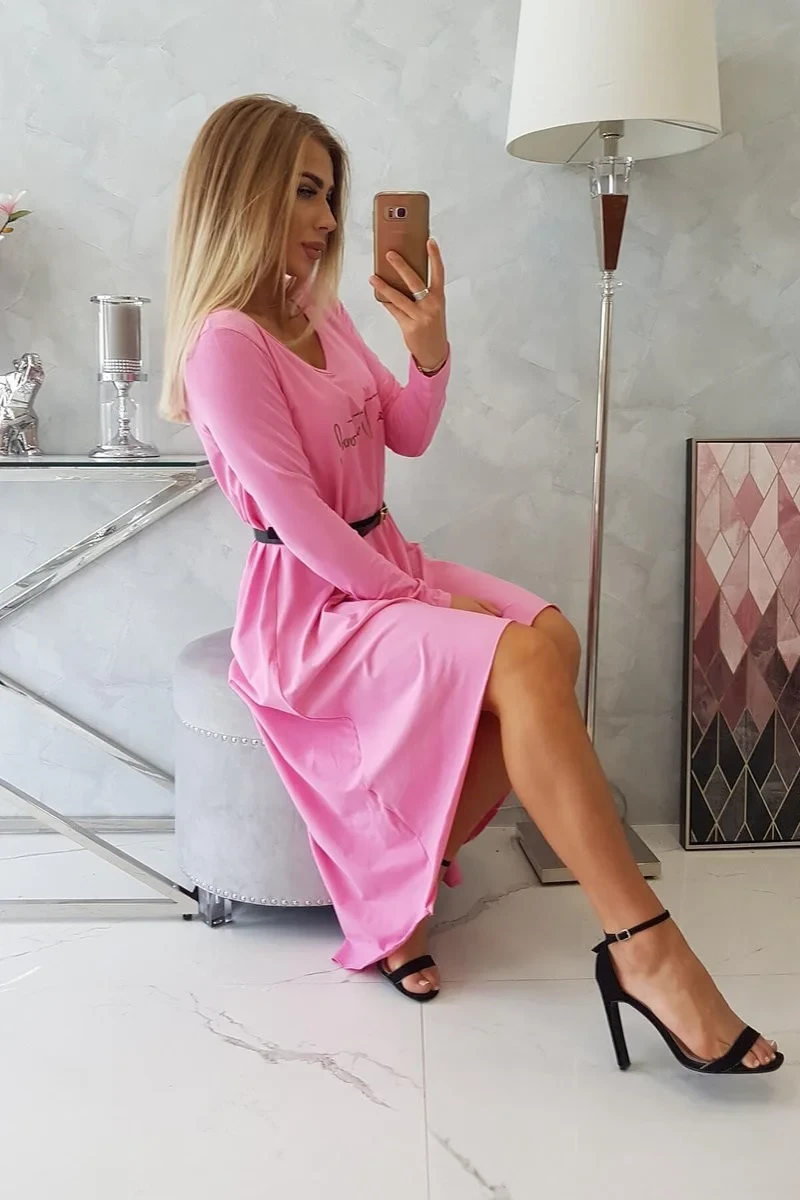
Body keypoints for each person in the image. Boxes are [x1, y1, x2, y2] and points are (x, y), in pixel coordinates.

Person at [161, 94, 781, 1076]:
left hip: (380, 561)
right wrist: (420, 603)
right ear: (244, 190)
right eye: (306, 192)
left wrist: (428, 344)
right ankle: (646, 953)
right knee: (520, 659)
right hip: (312, 606)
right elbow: (301, 522)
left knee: (552, 638)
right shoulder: (225, 343)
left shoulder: (315, 308)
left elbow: (405, 432)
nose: (328, 219)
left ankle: (396, 884)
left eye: (331, 195)